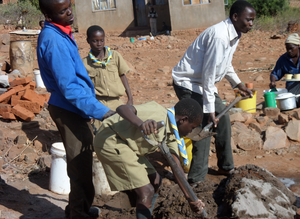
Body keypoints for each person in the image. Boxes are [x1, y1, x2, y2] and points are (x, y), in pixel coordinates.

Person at [37, 0, 115, 218]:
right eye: (62, 11)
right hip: (68, 108)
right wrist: (100, 110)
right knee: (80, 167)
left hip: (75, 107)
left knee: (83, 160)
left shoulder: (61, 32)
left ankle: (78, 208)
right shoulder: (54, 40)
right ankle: (78, 214)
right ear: (49, 15)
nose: (69, 12)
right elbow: (69, 87)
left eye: (69, 6)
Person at [172, 0, 255, 184]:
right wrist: (209, 111)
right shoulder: (219, 36)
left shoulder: (234, 33)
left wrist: (238, 84)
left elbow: (225, 64)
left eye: (252, 21)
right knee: (203, 125)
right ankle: (197, 179)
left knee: (222, 118)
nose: (251, 24)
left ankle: (226, 167)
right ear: (235, 17)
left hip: (202, 84)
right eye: (248, 20)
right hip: (188, 83)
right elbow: (208, 76)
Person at [94, 98, 205, 219]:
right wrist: (141, 124)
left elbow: (176, 167)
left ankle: (145, 214)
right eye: (192, 127)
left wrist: (190, 199)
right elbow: (122, 108)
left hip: (128, 145)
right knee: (146, 191)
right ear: (184, 120)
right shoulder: (157, 112)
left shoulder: (173, 133)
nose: (191, 131)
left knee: (156, 181)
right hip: (111, 139)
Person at [82, 25, 133, 131]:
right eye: (95, 41)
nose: (99, 44)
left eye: (102, 40)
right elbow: (85, 88)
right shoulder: (85, 63)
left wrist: (130, 99)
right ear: (88, 41)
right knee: (102, 134)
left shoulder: (115, 56)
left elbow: (122, 76)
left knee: (123, 130)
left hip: (117, 103)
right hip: (99, 105)